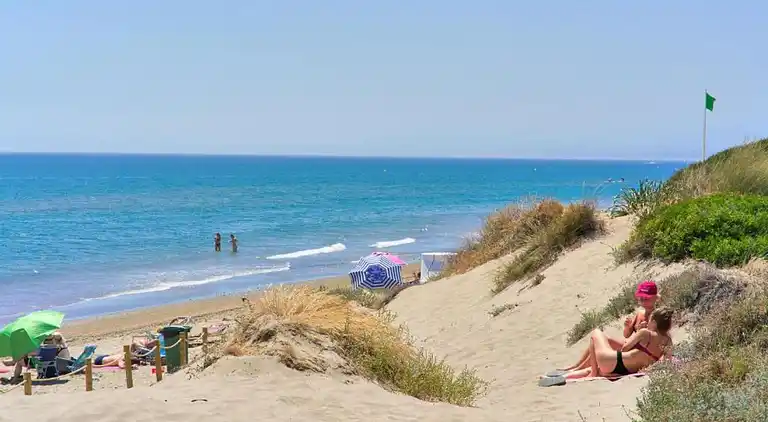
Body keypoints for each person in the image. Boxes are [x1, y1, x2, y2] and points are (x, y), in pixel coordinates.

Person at [540, 307, 674, 387]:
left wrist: (638, 331)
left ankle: (591, 373)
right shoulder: (668, 341)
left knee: (596, 333)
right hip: (627, 370)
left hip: (615, 361)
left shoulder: (645, 333)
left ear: (654, 323)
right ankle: (565, 377)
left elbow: (625, 348)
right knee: (605, 347)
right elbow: (667, 362)